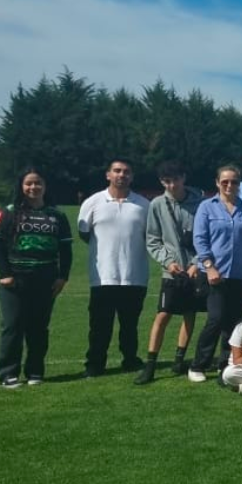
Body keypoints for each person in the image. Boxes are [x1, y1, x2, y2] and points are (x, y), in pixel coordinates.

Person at [0, 167, 73, 388]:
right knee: (13, 325)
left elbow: (66, 249)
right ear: (21, 186)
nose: (33, 187)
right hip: (15, 280)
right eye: (28, 183)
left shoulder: (57, 215)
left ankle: (35, 371)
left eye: (38, 183)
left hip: (45, 279)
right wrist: (5, 274)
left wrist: (63, 276)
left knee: (38, 327)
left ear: (45, 186)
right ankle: (8, 374)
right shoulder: (8, 212)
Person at [188, 165, 242, 383]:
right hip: (215, 274)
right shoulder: (206, 207)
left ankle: (227, 363)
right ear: (217, 183)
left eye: (234, 182)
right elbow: (200, 239)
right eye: (225, 181)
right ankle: (198, 364)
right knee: (216, 319)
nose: (230, 185)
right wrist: (209, 266)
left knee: (236, 323)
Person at [77, 158, 150, 377]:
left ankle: (130, 359)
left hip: (135, 275)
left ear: (132, 176)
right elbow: (84, 233)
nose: (121, 175)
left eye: (126, 171)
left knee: (130, 324)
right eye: (117, 171)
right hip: (103, 276)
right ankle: (95, 364)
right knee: (100, 325)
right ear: (108, 174)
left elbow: (150, 236)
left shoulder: (143, 205)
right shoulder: (93, 202)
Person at [136, 161, 206, 386]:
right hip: (171, 271)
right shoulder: (157, 204)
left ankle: (179, 359)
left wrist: (196, 263)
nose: (172, 185)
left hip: (195, 270)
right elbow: (152, 240)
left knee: (190, 313)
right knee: (163, 315)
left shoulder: (201, 202)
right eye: (167, 181)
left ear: (184, 177)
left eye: (175, 179)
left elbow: (206, 237)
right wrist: (168, 262)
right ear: (161, 182)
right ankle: (150, 364)